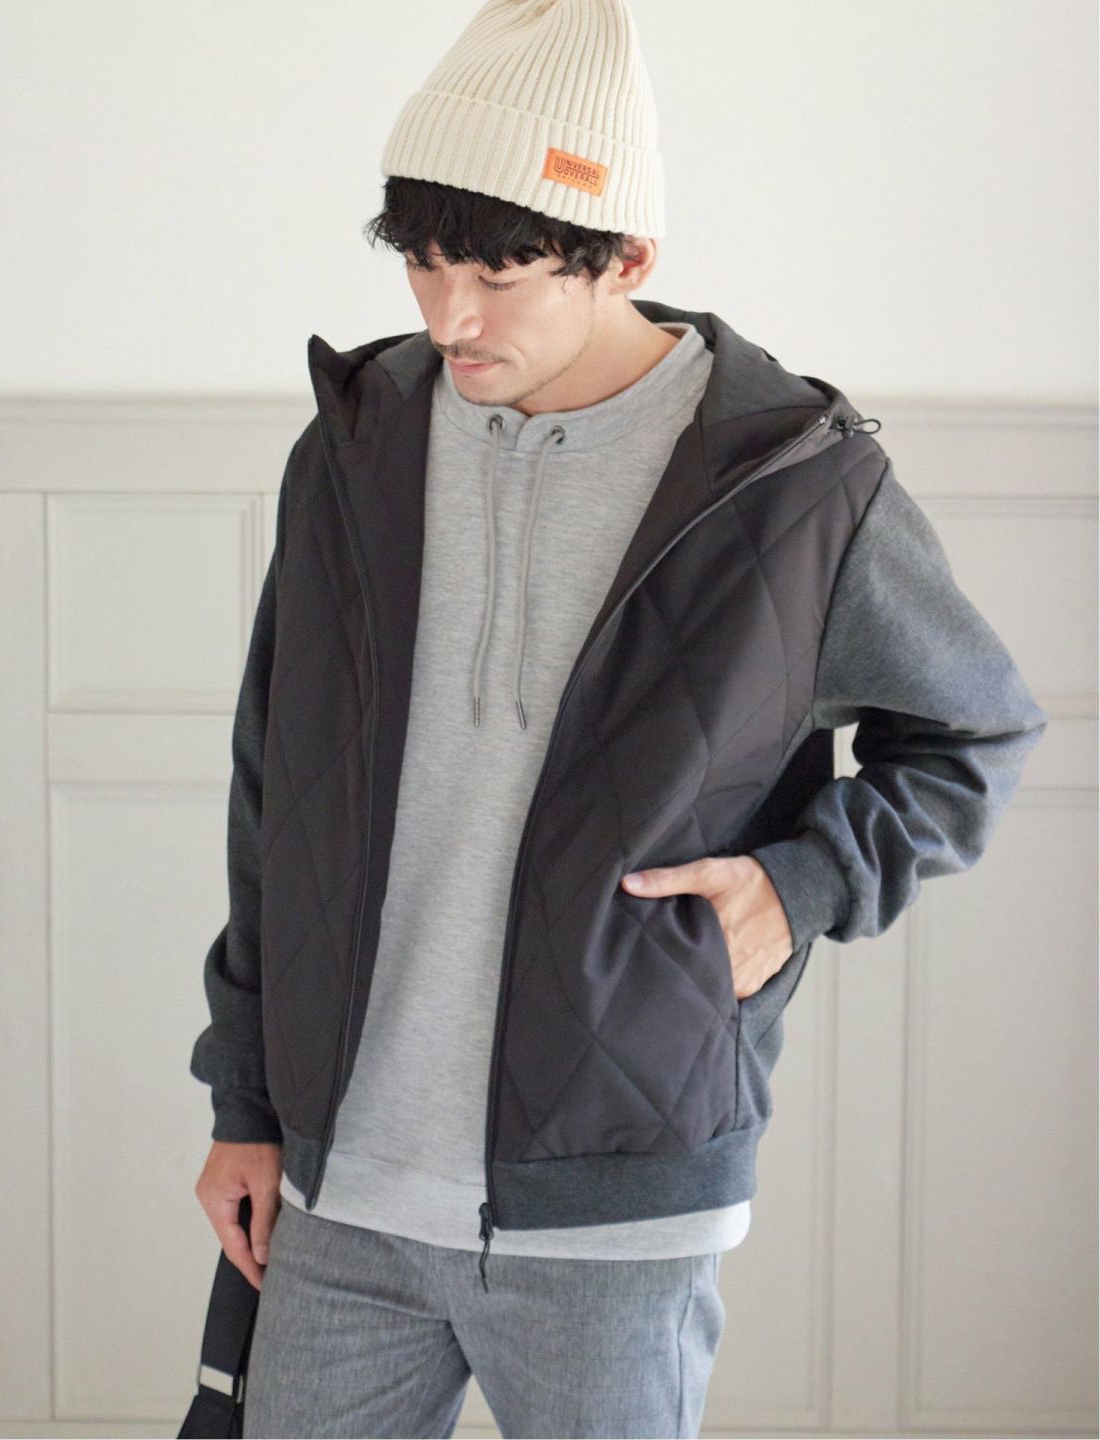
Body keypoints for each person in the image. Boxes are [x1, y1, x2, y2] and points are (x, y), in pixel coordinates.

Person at [189, 1, 1048, 1435]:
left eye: (500, 273)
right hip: (343, 1188)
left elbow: (974, 735)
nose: (450, 316)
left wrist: (804, 884)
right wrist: (245, 1100)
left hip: (619, 1201)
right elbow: (272, 785)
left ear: (625, 256)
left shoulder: (797, 483)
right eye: (424, 261)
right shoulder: (356, 445)